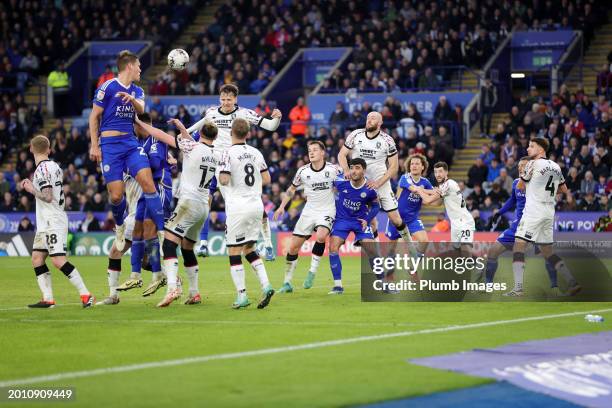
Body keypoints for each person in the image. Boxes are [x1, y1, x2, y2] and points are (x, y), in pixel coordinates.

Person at [187, 84, 282, 261]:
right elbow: (196, 128)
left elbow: (270, 126)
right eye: (222, 99)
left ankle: (268, 245)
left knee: (255, 203)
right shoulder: (211, 113)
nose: (225, 102)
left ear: (235, 99)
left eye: (229, 99)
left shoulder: (245, 114)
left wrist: (276, 118)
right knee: (205, 201)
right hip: (214, 162)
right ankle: (203, 243)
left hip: (237, 164)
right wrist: (183, 134)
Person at [134, 117, 220, 307]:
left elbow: (161, 135)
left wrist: (143, 124)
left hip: (188, 203)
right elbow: (195, 143)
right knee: (187, 249)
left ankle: (172, 287)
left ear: (200, 134)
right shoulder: (215, 153)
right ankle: (194, 292)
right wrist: (182, 128)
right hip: (203, 206)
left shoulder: (192, 147)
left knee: (169, 245)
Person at [88, 50, 165, 254]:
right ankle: (120, 226)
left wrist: (130, 99)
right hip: (110, 146)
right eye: (139, 66)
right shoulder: (108, 87)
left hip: (130, 143)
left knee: (148, 184)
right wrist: (94, 145)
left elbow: (141, 110)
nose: (141, 70)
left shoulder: (137, 91)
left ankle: (162, 232)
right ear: (129, 66)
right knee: (116, 196)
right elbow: (94, 117)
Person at [24, 135, 94, 308]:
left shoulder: (41, 170)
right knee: (37, 258)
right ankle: (48, 299)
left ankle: (86, 295)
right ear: (49, 149)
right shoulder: (54, 166)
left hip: (52, 220)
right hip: (46, 221)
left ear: (31, 149)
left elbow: (47, 197)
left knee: (57, 260)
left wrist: (31, 189)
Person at [507, 138, 581, 296]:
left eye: (531, 146)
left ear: (541, 149)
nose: (528, 149)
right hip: (549, 211)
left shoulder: (533, 164)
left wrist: (527, 180)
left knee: (518, 246)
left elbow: (520, 186)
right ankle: (572, 282)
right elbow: (564, 189)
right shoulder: (555, 166)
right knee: (548, 251)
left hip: (534, 210)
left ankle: (518, 288)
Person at [218, 118, 275, 309]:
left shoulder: (227, 153)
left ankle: (242, 295)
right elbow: (267, 178)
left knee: (234, 251)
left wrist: (220, 174)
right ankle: (266, 285)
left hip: (238, 206)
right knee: (249, 248)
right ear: (248, 134)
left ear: (230, 133)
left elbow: (224, 180)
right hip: (256, 206)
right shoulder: (255, 152)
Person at [115, 113, 173, 296]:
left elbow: (155, 163)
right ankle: (135, 275)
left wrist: (136, 163)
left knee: (149, 230)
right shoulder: (138, 143)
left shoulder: (156, 138)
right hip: (145, 191)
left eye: (134, 126)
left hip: (159, 189)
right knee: (138, 230)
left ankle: (159, 275)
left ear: (140, 125)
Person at [484, 157, 562, 293]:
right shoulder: (516, 183)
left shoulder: (538, 184)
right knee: (492, 251)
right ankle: (488, 286)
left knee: (547, 255)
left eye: (524, 166)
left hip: (534, 224)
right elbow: (512, 200)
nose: (520, 168)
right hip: (516, 226)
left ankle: (554, 286)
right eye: (519, 166)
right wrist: (499, 212)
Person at [273, 140, 342, 293]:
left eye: (315, 150)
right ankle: (287, 283)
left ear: (322, 152)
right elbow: (291, 189)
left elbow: (346, 185)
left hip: (326, 210)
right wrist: (281, 206)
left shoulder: (334, 170)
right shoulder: (303, 171)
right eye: (309, 150)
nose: (311, 152)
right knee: (292, 248)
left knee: (321, 236)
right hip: (309, 211)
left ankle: (312, 272)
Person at [338, 112, 414, 244]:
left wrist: (378, 183)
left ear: (380, 123)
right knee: (368, 219)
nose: (369, 120)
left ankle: (411, 246)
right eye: (367, 118)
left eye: (373, 118)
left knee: (395, 219)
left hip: (380, 182)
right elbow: (341, 154)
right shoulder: (355, 134)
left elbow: (394, 167)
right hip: (359, 183)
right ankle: (375, 253)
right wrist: (346, 170)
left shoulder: (387, 140)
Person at [328, 158, 380, 294]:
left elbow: (376, 206)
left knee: (372, 250)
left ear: (364, 170)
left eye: (357, 168)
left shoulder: (370, 188)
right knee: (333, 247)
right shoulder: (340, 181)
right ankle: (338, 286)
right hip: (342, 220)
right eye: (352, 168)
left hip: (360, 221)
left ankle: (383, 283)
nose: (354, 171)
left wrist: (367, 220)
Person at [414, 162, 475, 256]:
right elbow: (437, 203)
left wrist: (419, 190)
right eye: (436, 172)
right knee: (457, 251)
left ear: (446, 172)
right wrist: (418, 197)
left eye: (440, 171)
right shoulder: (444, 186)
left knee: (465, 249)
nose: (438, 174)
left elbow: (429, 200)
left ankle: (476, 268)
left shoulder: (449, 184)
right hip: (455, 223)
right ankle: (470, 267)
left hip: (464, 221)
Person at [385, 154, 432, 254]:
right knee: (391, 249)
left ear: (422, 167)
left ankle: (414, 264)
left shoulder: (426, 182)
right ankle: (390, 265)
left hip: (412, 219)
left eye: (417, 164)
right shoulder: (404, 178)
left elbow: (431, 199)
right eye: (412, 164)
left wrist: (436, 193)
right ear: (409, 167)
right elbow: (414, 189)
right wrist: (427, 191)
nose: (414, 166)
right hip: (397, 218)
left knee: (424, 241)